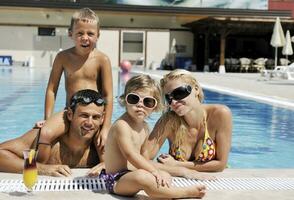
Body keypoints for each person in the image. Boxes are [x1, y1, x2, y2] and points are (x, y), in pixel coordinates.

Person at [100, 74, 206, 198]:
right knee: (143, 177)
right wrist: (153, 171)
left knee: (164, 174)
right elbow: (131, 155)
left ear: (154, 107)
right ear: (125, 100)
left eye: (148, 102)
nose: (140, 105)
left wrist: (159, 172)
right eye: (134, 99)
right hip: (115, 180)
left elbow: (145, 156)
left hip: (130, 174)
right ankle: (184, 193)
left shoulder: (145, 127)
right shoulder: (121, 126)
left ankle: (161, 193)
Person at [37, 8, 113, 166]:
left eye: (90, 34)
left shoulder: (102, 59)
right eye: (80, 33)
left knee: (105, 142)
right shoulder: (63, 57)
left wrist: (105, 126)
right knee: (45, 133)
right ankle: (40, 167)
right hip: (71, 111)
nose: (85, 38)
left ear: (98, 35)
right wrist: (47, 118)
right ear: (70, 33)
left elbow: (108, 95)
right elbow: (52, 89)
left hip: (94, 112)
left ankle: (105, 170)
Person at [142, 69, 232, 172]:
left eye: (179, 93)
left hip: (214, 181)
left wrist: (176, 165)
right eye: (169, 98)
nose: (174, 102)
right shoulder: (169, 121)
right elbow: (143, 159)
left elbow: (220, 164)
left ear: (196, 89)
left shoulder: (220, 114)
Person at [0, 89, 105, 177]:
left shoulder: (101, 145)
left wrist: (110, 165)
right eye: (84, 116)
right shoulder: (48, 140)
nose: (89, 123)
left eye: (96, 117)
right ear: (70, 115)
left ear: (102, 119)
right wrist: (42, 169)